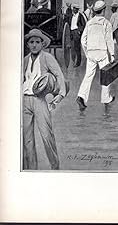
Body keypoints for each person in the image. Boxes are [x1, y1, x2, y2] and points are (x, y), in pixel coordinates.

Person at [23, 28, 66, 170]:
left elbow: (59, 75)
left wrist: (60, 95)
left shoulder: (47, 58)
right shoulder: (25, 60)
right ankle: (30, 171)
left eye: (37, 42)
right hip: (24, 100)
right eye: (31, 42)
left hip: (39, 100)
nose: (34, 45)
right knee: (27, 139)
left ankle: (55, 168)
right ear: (28, 44)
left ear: (42, 44)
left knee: (47, 136)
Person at [76, 0, 115, 110]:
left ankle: (81, 96)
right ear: (103, 10)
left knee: (88, 76)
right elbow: (109, 41)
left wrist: (87, 52)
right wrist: (112, 55)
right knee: (106, 76)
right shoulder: (106, 23)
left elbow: (83, 40)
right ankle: (105, 98)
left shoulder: (89, 23)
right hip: (102, 52)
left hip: (91, 53)